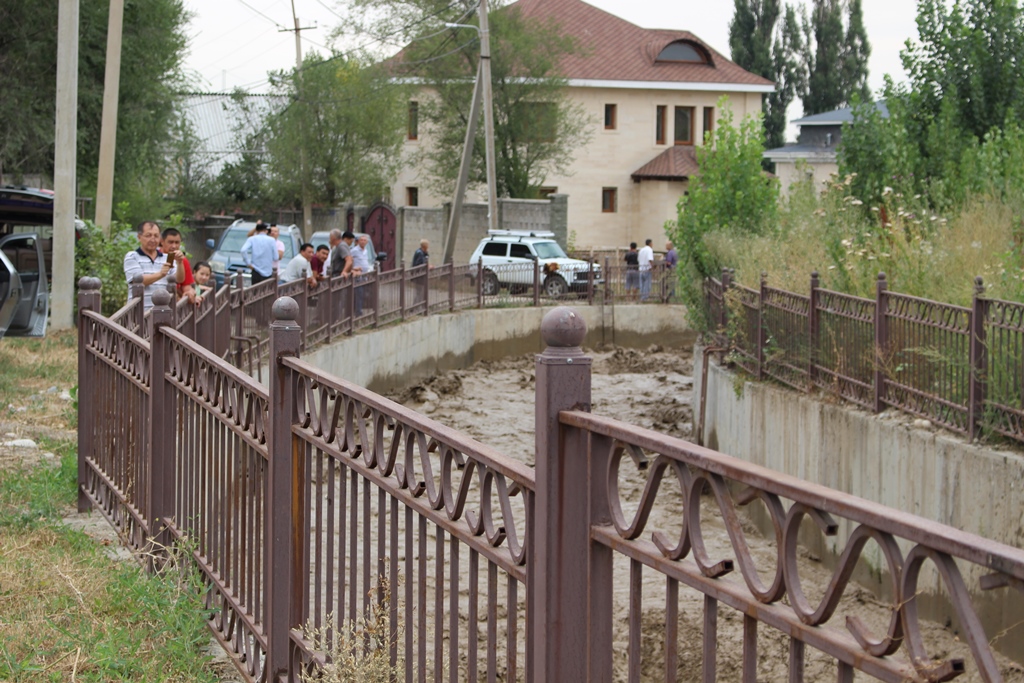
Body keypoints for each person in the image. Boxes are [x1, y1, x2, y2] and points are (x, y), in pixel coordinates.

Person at [123, 220, 183, 311]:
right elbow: (139, 281)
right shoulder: (132, 256)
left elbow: (179, 279)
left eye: (156, 236)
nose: (153, 239)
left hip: (162, 312)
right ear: (139, 237)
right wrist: (161, 274)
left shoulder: (168, 257)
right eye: (148, 235)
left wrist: (180, 262)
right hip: (139, 314)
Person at [161, 227, 196, 303]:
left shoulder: (183, 260)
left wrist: (189, 293)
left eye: (177, 243)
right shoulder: (156, 256)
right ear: (162, 242)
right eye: (170, 242)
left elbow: (186, 285)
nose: (174, 246)